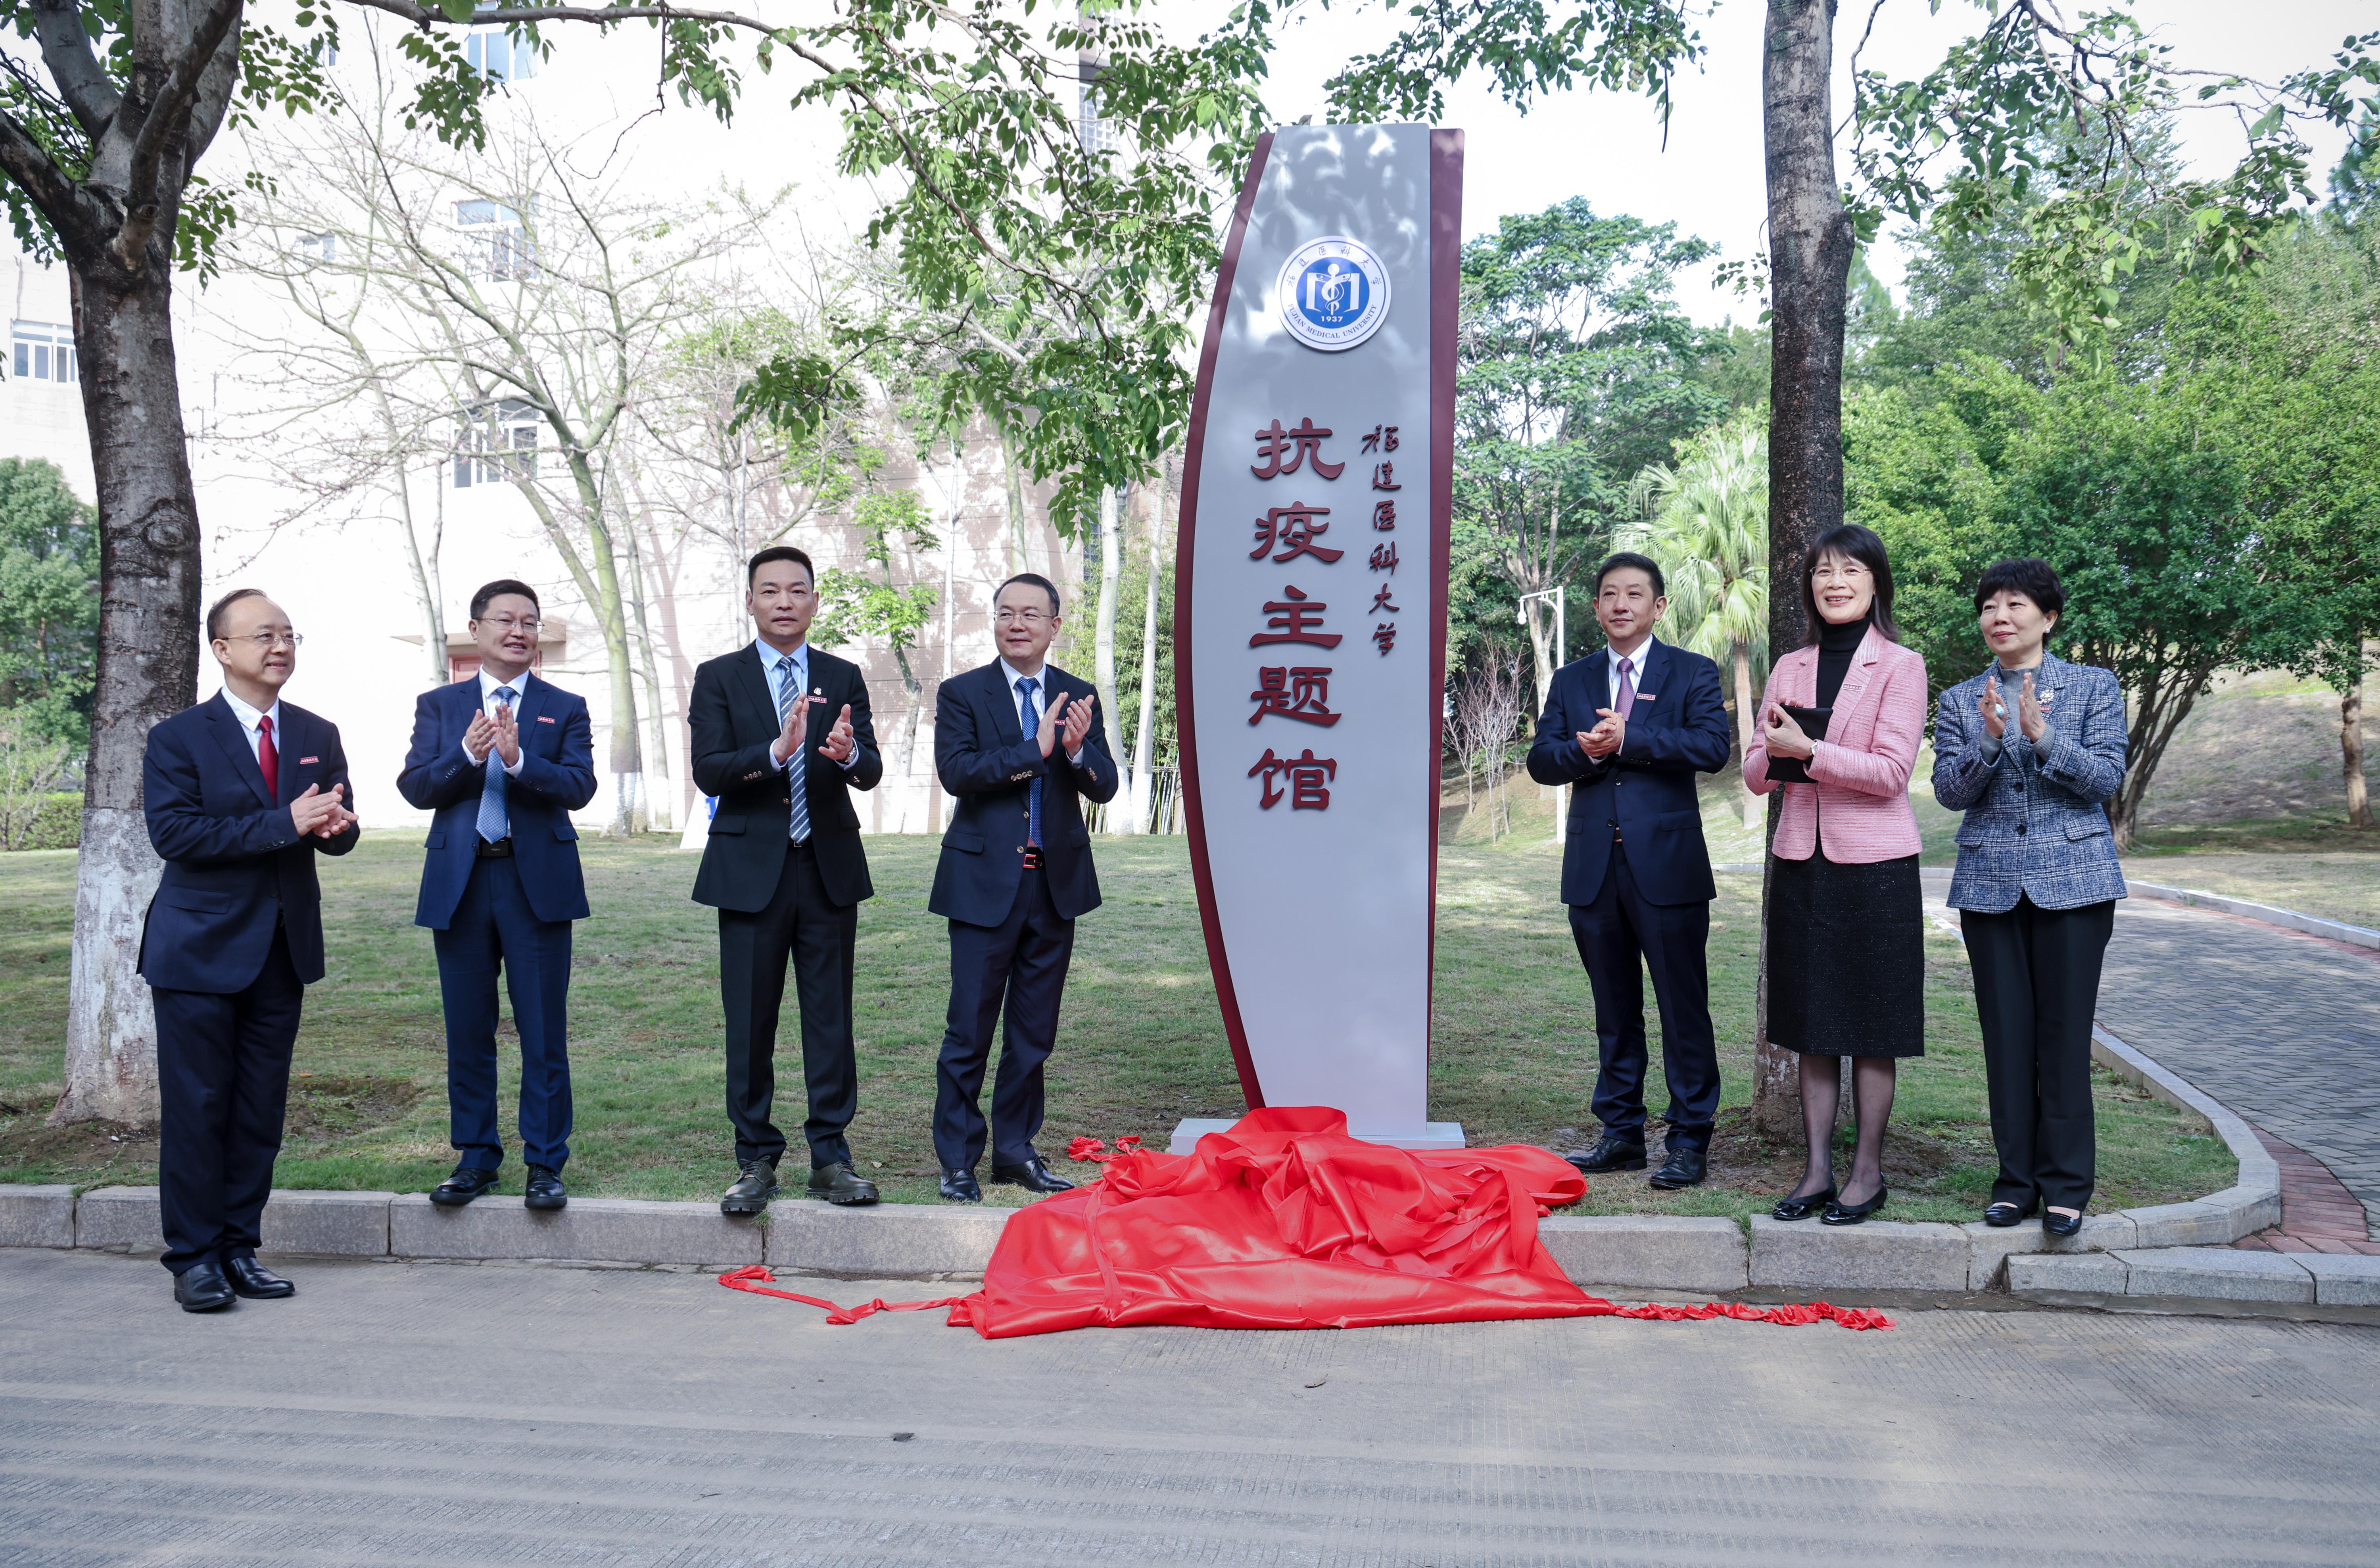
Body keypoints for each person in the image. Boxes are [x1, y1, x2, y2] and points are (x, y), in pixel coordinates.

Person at [138, 589, 359, 1311]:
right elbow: (176, 835)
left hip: (282, 949)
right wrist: (285, 822)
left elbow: (339, 822)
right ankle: (193, 1258)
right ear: (223, 649)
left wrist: (336, 827)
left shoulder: (317, 731)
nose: (281, 647)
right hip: (197, 952)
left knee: (260, 1111)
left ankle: (239, 1247)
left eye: (289, 634)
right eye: (264, 635)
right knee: (198, 1108)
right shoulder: (178, 737)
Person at [1525, 553, 1733, 1190]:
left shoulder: (1692, 671)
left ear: (1658, 606)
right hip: (1593, 869)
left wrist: (1631, 739)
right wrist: (1584, 752)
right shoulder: (1573, 679)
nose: (1621, 604)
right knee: (1613, 1009)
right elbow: (1541, 760)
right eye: (1610, 594)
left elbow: (1712, 748)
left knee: (1682, 1008)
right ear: (1595, 608)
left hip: (1668, 868)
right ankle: (1620, 1134)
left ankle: (1689, 1139)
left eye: (1635, 594)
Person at [1932, 558, 2127, 1238]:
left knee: (2064, 1038)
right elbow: (1949, 792)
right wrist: (1989, 740)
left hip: (2075, 884)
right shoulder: (1960, 699)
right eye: (1990, 606)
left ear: (2048, 618)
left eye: (2015, 605)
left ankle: (2067, 1186)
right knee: (2006, 1038)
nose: (2000, 617)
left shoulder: (2094, 686)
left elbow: (2105, 778)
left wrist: (2043, 736)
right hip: (1990, 886)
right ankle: (2015, 1183)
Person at [1742, 525, 1929, 1226]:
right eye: (1823, 571)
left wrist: (1809, 751)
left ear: (1876, 583)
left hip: (1877, 868)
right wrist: (1774, 754)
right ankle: (1817, 1170)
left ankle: (1867, 1173)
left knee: (1873, 1025)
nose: (1835, 582)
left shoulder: (1902, 665)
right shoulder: (1790, 666)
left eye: (1851, 569)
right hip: (1802, 862)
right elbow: (1755, 771)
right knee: (1812, 1023)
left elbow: (1891, 773)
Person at [690, 545, 885, 1214]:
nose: (783, 601)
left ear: (814, 601)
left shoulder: (841, 674)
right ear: (750, 601)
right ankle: (755, 1158)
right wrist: (774, 752)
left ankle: (831, 1156)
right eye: (769, 590)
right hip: (750, 874)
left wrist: (850, 754)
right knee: (750, 1022)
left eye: (797, 590)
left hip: (826, 868)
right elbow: (709, 768)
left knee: (831, 1020)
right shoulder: (720, 677)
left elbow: (871, 769)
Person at [395, 579, 597, 1212]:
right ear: (476, 628)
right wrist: (466, 753)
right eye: (506, 620)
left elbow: (580, 785)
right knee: (467, 1030)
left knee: (543, 1031)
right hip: (460, 883)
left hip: (535, 884)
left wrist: (517, 762)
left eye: (529, 622)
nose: (519, 631)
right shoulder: (440, 705)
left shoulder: (565, 705)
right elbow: (416, 787)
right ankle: (476, 1157)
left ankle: (546, 1162)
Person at [927, 573, 1117, 1202]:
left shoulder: (1078, 694)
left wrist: (1076, 751)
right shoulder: (963, 693)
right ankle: (958, 1160)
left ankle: (1014, 1150)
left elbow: (1105, 785)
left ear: (1054, 626)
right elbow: (957, 772)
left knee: (1034, 1034)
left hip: (1053, 887)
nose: (1017, 624)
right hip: (983, 886)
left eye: (1031, 614)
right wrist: (1032, 750)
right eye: (1006, 613)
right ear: (995, 622)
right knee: (969, 1030)